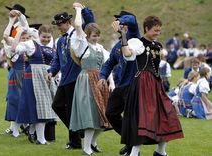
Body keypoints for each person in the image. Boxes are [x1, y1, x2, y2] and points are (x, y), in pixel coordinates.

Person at [115, 15, 184, 156]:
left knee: (167, 114)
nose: (157, 33)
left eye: (159, 31)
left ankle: (160, 151)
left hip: (156, 84)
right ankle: (134, 152)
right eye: (155, 30)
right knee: (142, 118)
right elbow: (127, 53)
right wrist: (123, 35)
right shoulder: (137, 43)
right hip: (143, 84)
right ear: (146, 28)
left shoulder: (158, 45)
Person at [69, 3, 114, 155]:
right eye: (94, 35)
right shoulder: (83, 45)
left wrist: (111, 82)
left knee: (103, 115)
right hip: (86, 81)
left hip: (100, 81)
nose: (96, 38)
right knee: (90, 116)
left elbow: (109, 64)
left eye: (98, 35)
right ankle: (86, 148)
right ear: (87, 35)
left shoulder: (100, 48)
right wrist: (78, 10)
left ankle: (93, 143)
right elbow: (77, 25)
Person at [98, 11, 140, 156]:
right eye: (118, 22)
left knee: (130, 118)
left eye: (121, 23)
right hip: (120, 86)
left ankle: (134, 150)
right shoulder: (117, 46)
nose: (119, 24)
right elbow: (109, 63)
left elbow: (133, 21)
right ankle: (130, 142)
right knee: (110, 113)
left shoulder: (135, 38)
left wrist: (122, 21)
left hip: (133, 85)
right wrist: (102, 76)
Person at [16, 25, 58, 145]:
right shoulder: (31, 44)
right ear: (39, 35)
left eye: (48, 37)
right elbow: (16, 48)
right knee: (42, 105)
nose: (46, 39)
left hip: (48, 76)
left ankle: (32, 130)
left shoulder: (52, 44)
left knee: (44, 105)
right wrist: (19, 33)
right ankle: (40, 138)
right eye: (44, 37)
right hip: (34, 76)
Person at [47, 11, 83, 149]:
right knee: (57, 106)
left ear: (68, 22)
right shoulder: (60, 40)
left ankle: (75, 142)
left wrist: (80, 10)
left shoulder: (77, 35)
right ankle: (78, 131)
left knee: (71, 111)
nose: (58, 27)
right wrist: (51, 71)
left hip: (76, 78)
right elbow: (57, 60)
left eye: (60, 24)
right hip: (64, 80)